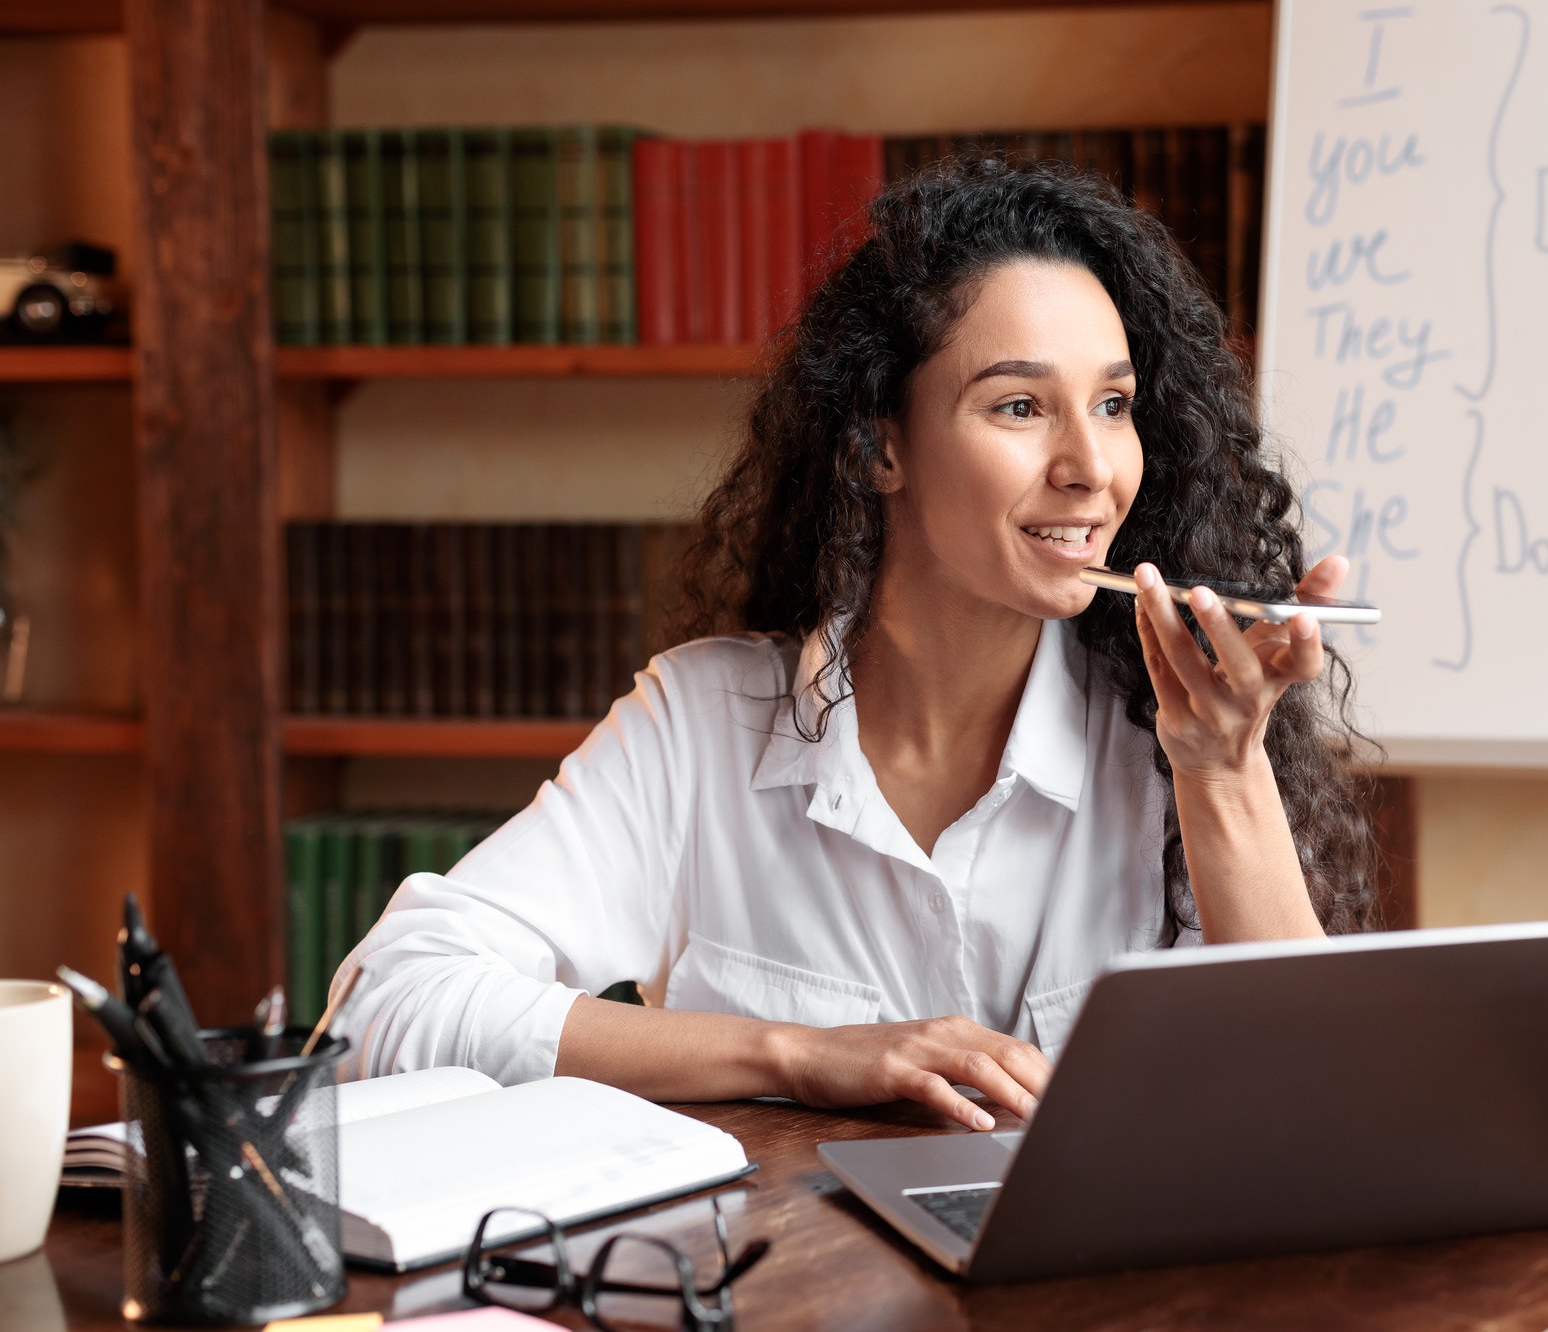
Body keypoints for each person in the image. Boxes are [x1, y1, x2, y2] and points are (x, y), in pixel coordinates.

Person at [336, 158, 1376, 1132]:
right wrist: (797, 1054)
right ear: (881, 444)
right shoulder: (700, 728)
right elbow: (386, 1004)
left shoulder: (1165, 744)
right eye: (1020, 405)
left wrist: (1223, 769)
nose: (1091, 467)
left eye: (1112, 405)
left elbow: (1319, 1102)